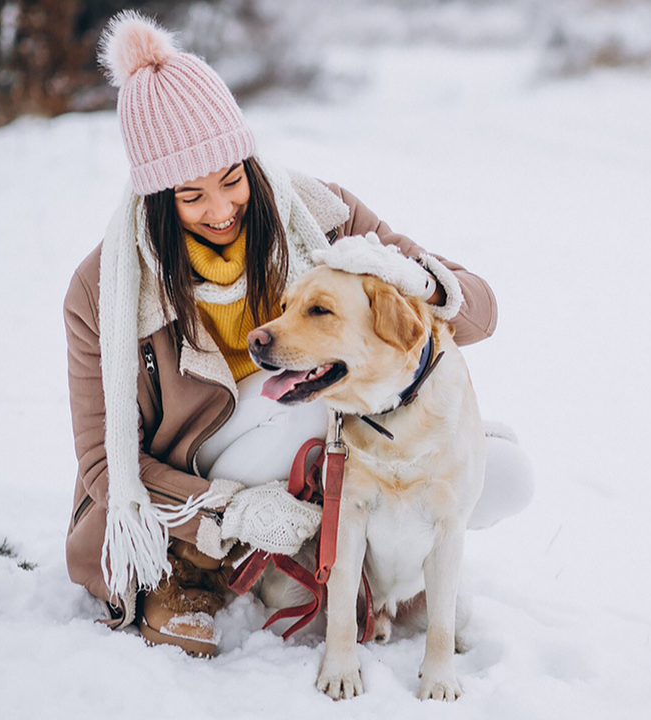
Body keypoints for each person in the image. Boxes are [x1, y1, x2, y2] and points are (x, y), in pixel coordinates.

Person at [63, 11, 532, 658]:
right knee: (303, 408)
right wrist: (224, 509)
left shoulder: (320, 213)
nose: (223, 210)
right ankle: (198, 566)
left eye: (233, 179)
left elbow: (478, 313)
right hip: (207, 467)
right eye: (191, 196)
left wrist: (412, 277)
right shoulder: (102, 290)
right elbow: (103, 467)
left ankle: (380, 566)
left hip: (322, 422)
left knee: (505, 475)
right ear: (155, 199)